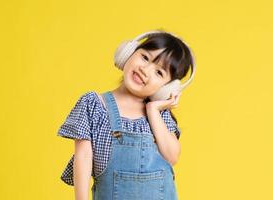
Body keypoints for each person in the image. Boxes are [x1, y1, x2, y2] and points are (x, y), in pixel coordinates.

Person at [57, 29, 196, 200]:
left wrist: (153, 110)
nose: (145, 70)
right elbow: (83, 158)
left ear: (166, 88)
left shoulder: (160, 115)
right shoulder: (94, 105)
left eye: (159, 72)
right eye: (145, 57)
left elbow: (172, 156)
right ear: (129, 52)